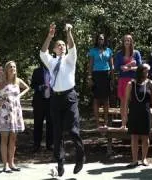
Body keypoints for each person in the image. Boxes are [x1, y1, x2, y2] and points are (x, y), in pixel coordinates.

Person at [40, 23, 85, 177]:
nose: (61, 47)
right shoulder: (51, 61)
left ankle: (80, 156)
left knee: (73, 130)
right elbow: (42, 52)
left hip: (69, 96)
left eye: (62, 45)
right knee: (57, 132)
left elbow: (72, 46)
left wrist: (69, 32)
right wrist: (50, 36)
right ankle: (60, 162)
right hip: (55, 98)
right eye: (57, 45)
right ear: (54, 49)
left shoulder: (70, 59)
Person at [0, 61, 30, 173]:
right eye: (10, 67)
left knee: (13, 138)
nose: (13, 68)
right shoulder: (0, 82)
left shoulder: (18, 81)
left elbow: (27, 87)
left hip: (15, 112)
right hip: (4, 113)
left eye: (14, 67)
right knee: (4, 139)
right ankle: (5, 165)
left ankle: (12, 163)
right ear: (6, 69)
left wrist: (20, 95)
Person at [124, 64, 152, 168]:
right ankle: (134, 160)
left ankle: (144, 159)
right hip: (134, 113)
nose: (147, 73)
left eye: (148, 71)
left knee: (145, 136)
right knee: (134, 136)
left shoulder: (150, 83)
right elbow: (126, 101)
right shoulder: (131, 83)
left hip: (146, 113)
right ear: (140, 71)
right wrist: (125, 115)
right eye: (145, 71)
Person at [114, 34, 142, 129]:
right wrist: (124, 67)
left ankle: (134, 123)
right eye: (125, 40)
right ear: (123, 42)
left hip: (133, 80)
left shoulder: (136, 53)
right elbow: (117, 67)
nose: (127, 42)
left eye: (129, 40)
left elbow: (140, 67)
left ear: (131, 42)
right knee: (123, 102)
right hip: (123, 80)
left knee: (134, 102)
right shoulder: (119, 53)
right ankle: (123, 124)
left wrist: (129, 67)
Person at [88, 33, 114, 127]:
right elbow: (90, 65)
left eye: (102, 39)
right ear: (97, 40)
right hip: (96, 75)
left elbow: (112, 66)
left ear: (104, 40)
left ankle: (106, 122)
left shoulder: (109, 50)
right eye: (99, 39)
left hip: (106, 75)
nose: (100, 41)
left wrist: (112, 78)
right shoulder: (93, 51)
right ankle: (98, 123)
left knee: (106, 99)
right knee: (96, 99)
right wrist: (90, 78)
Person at [30, 62, 53, 152]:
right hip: (39, 101)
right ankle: (36, 145)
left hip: (51, 101)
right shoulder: (37, 71)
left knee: (51, 123)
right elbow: (32, 85)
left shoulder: (54, 71)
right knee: (38, 123)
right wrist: (40, 87)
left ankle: (50, 145)